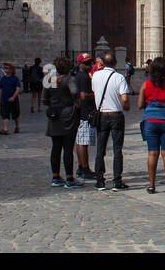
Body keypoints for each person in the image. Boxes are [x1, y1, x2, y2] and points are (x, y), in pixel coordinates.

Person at [138, 56, 165, 192]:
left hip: (151, 120)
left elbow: (139, 105)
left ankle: (151, 185)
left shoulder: (146, 85)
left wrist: (150, 103)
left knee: (152, 153)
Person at [92, 51, 130, 190]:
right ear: (115, 63)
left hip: (101, 115)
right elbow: (125, 99)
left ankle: (99, 180)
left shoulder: (95, 76)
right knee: (117, 149)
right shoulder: (119, 77)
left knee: (100, 149)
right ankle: (116, 181)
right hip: (116, 116)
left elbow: (95, 92)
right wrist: (126, 105)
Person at [44, 56, 84, 188]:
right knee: (67, 147)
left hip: (54, 114)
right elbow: (75, 93)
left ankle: (55, 176)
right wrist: (76, 103)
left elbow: (45, 100)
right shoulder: (69, 79)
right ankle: (69, 178)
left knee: (55, 147)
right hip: (67, 115)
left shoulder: (49, 79)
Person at [73, 53, 96, 180]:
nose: (89, 65)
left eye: (89, 62)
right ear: (80, 64)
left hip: (82, 112)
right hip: (85, 113)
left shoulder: (79, 76)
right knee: (83, 142)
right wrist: (95, 95)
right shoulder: (84, 78)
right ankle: (85, 169)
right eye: (86, 63)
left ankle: (81, 167)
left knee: (81, 141)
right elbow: (83, 96)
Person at [0, 62, 22, 134]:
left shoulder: (15, 78)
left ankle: (17, 126)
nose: (5, 69)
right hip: (4, 99)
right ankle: (5, 129)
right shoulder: (3, 79)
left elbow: (18, 88)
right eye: (4, 68)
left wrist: (13, 97)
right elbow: (0, 89)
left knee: (15, 114)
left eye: (7, 68)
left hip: (13, 99)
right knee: (4, 114)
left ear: (11, 70)